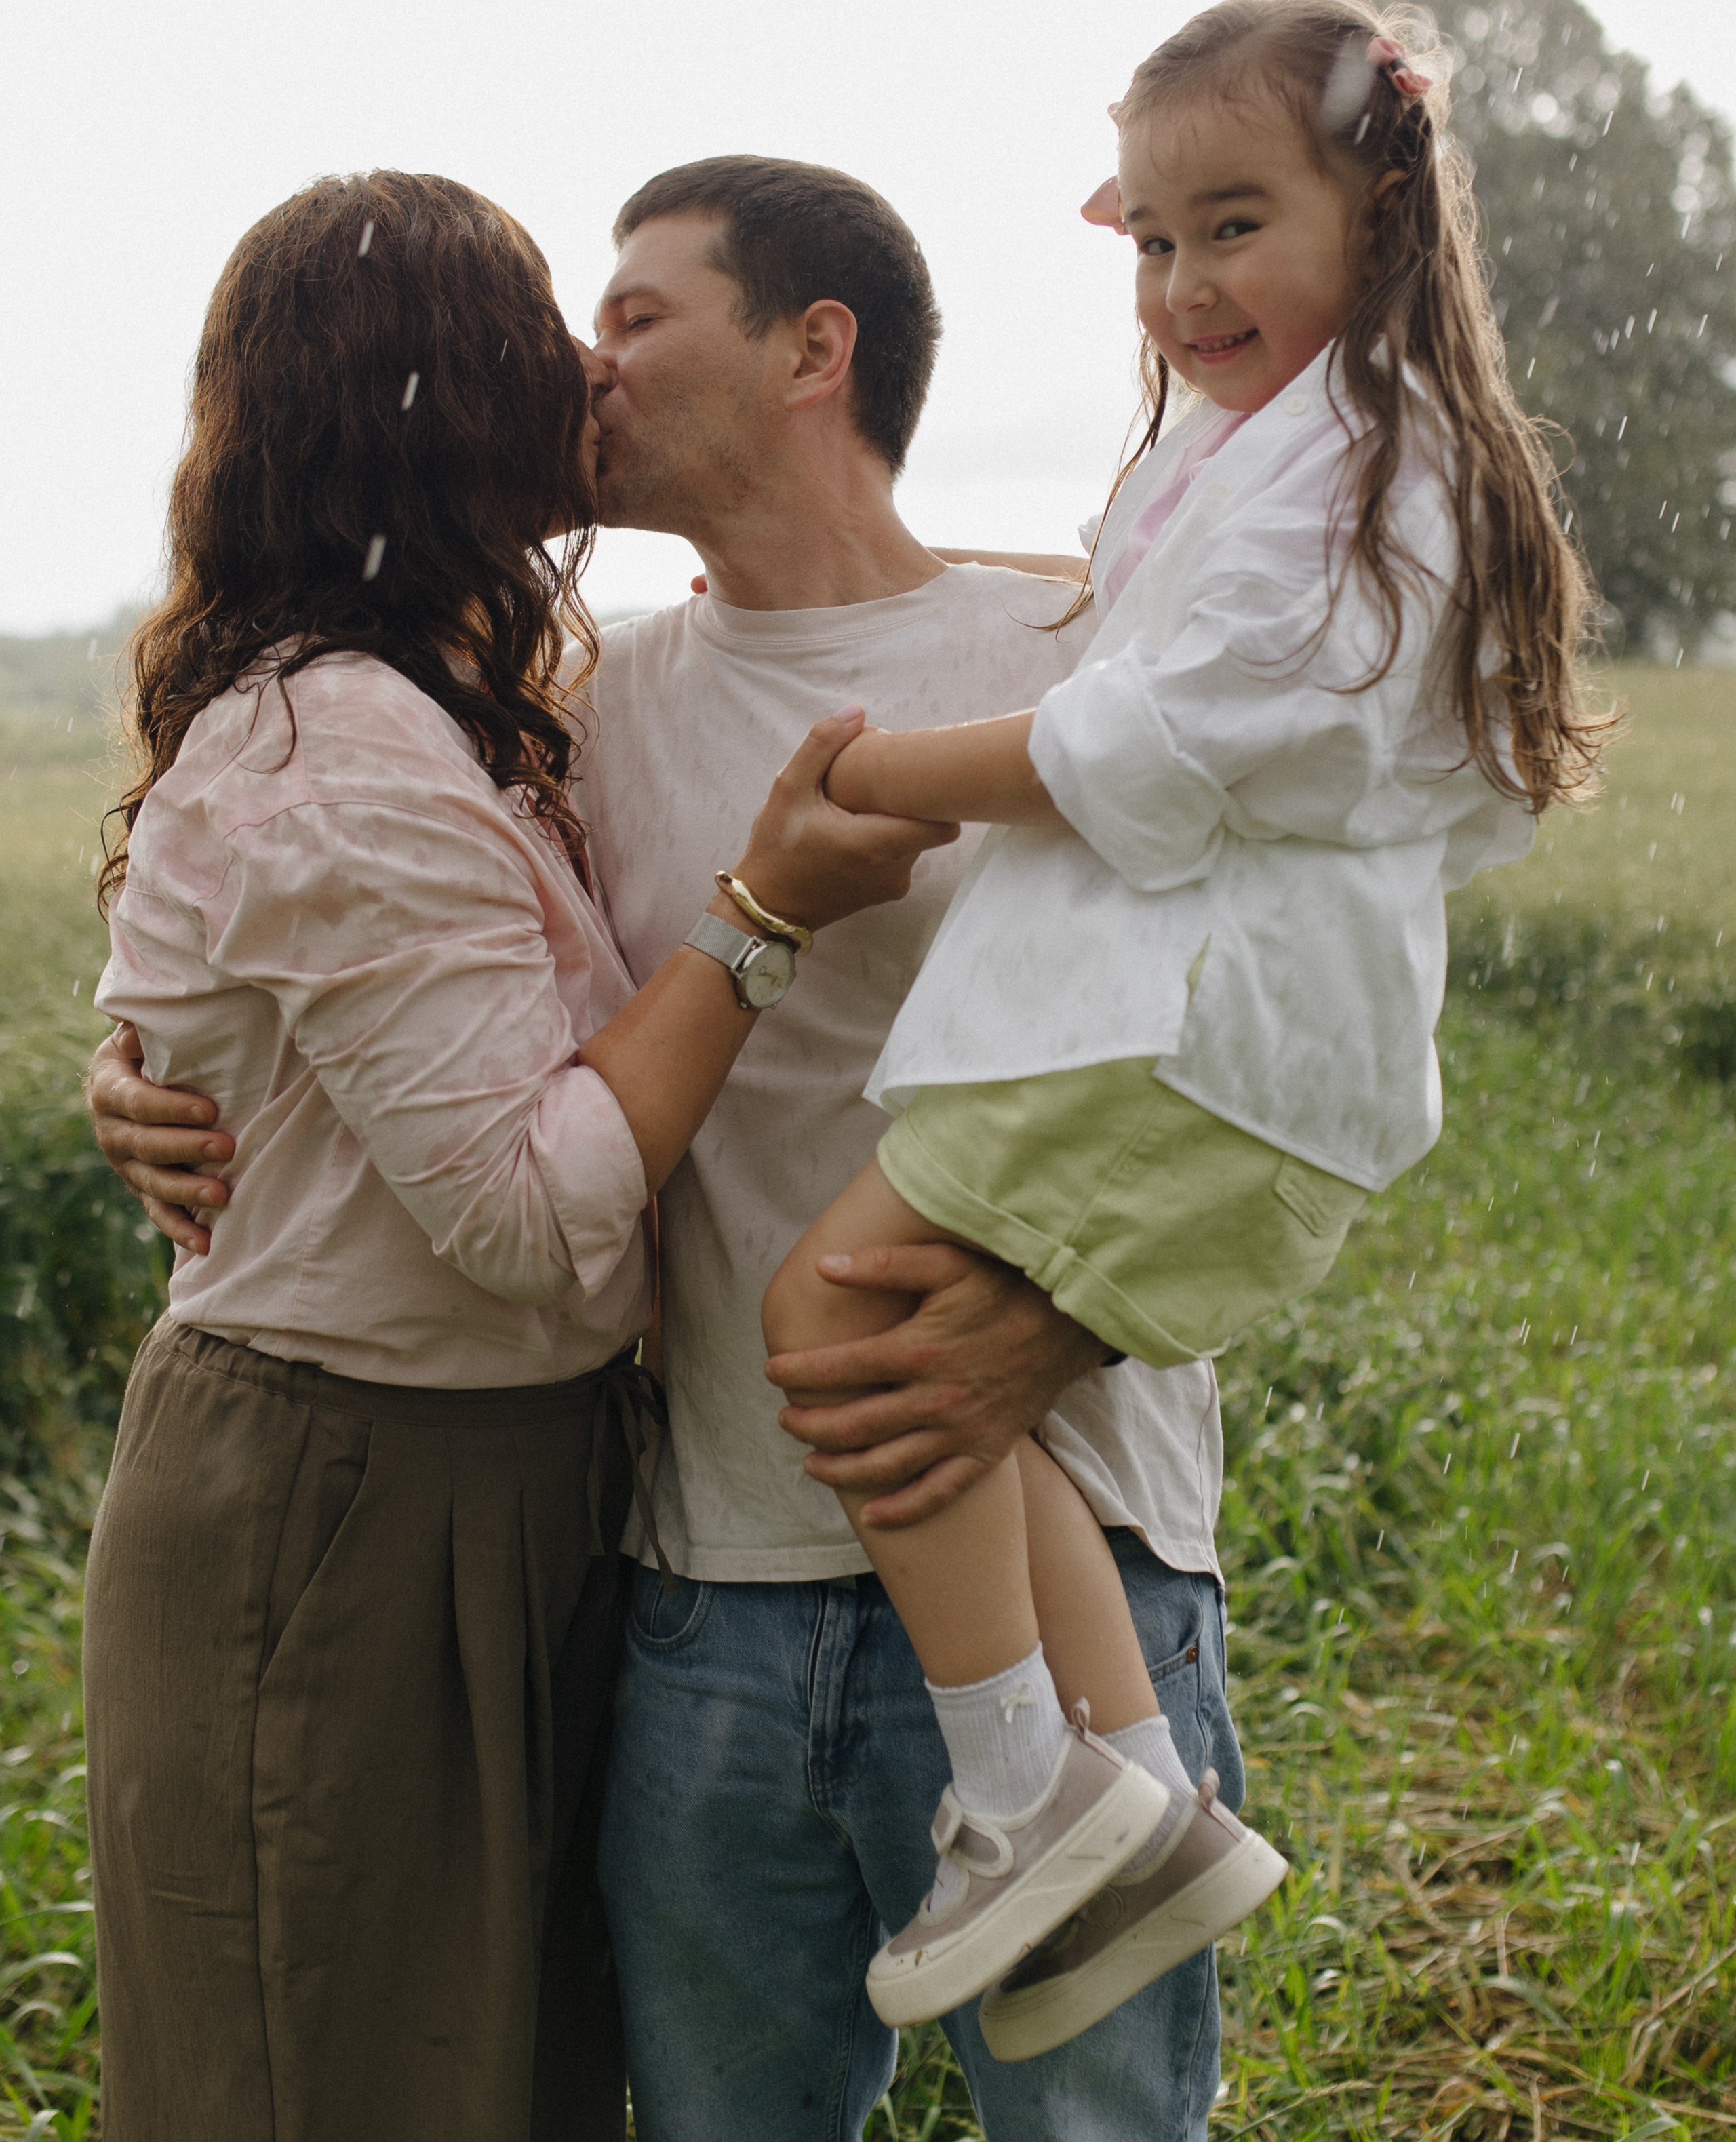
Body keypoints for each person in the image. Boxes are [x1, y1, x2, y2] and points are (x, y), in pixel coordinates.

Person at [90, 156, 1234, 2141]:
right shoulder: (571, 715)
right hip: (702, 1588)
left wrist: (1058, 1336)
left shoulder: (1081, 664)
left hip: (1071, 1572)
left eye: (629, 317)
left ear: (816, 349)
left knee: (1104, 2130)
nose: (581, 369)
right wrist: (146, 1078)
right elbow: (368, 978)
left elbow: (1275, 1082)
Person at [761, 0, 1610, 2061]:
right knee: (942, 1372)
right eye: (1151, 241)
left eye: (1233, 224)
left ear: (1382, 207)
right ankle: (1121, 1800)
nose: (1186, 284)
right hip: (1182, 1025)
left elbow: (1159, 732)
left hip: (1170, 1032)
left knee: (830, 1305)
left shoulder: (1367, 461)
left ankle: (1041, 1792)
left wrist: (871, 775)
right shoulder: (1304, 453)